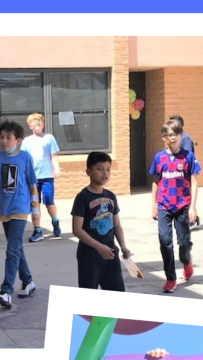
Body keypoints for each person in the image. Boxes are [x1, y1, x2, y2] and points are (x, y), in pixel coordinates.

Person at [0, 119, 41, 309]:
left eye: (8, 138)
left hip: (20, 208)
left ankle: (6, 291)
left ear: (17, 140)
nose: (4, 141)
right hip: (5, 209)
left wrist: (35, 211)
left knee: (12, 249)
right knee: (17, 248)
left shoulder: (25, 158)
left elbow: (32, 185)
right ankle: (28, 281)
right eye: (1, 137)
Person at [71, 151, 133, 293]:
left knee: (116, 294)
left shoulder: (110, 196)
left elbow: (116, 225)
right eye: (100, 169)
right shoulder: (82, 197)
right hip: (89, 256)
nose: (105, 173)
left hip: (110, 253)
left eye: (108, 169)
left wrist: (123, 247)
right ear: (89, 172)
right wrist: (99, 247)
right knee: (89, 298)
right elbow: (77, 229)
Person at [150, 121, 200, 293]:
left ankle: (186, 261)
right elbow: (156, 181)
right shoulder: (159, 158)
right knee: (165, 242)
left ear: (180, 136)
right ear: (163, 137)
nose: (172, 138)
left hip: (181, 205)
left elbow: (194, 181)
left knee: (183, 243)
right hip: (164, 205)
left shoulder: (188, 157)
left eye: (176, 134)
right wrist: (154, 205)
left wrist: (192, 207)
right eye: (169, 135)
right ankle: (171, 278)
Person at [21, 113, 62, 241]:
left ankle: (55, 221)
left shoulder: (49, 138)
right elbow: (23, 159)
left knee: (49, 201)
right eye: (34, 122)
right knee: (35, 204)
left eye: (39, 121)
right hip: (33, 178)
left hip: (47, 176)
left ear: (43, 124)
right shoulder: (26, 142)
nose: (37, 123)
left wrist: (57, 168)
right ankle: (37, 230)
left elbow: (53, 156)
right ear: (30, 126)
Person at [169, 115, 200, 228]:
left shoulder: (185, 138)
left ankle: (192, 220)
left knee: (188, 194)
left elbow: (185, 156)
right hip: (178, 172)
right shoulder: (176, 138)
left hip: (185, 172)